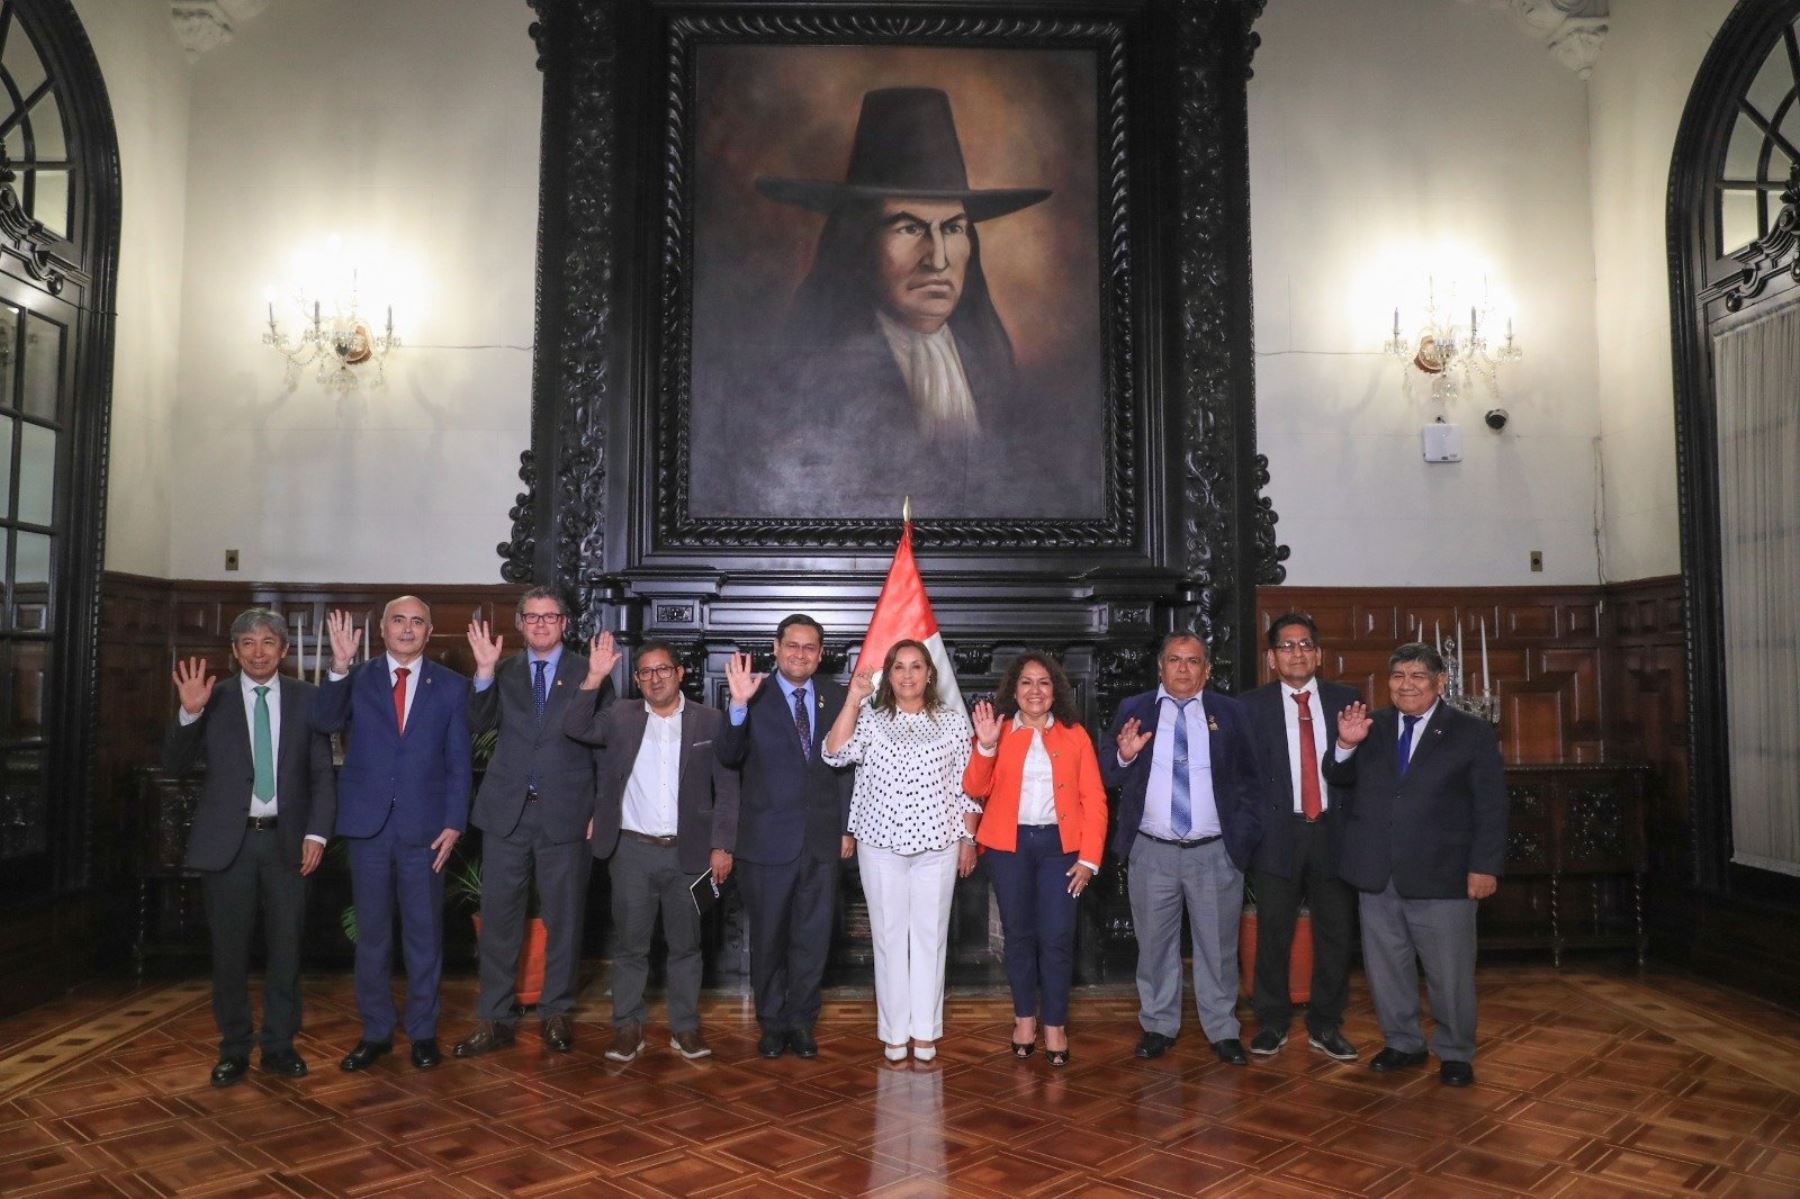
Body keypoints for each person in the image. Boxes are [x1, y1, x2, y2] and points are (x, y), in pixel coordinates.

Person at [755, 86, 1051, 443]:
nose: (938, 259)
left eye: (953, 228)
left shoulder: (991, 367)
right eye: (910, 227)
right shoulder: (817, 378)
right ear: (859, 242)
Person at [164, 609, 335, 1087]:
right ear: (234, 651)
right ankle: (234, 1047)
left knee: (287, 950)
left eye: (267, 642)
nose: (258, 652)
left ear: (283, 650)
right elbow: (173, 764)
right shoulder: (210, 699)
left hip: (289, 843)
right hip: (228, 847)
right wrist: (188, 712)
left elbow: (322, 775)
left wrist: (316, 834)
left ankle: (280, 1045)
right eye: (247, 643)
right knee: (229, 952)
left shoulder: (309, 700)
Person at [1324, 643, 1508, 1088]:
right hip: (1377, 872)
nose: (1407, 685)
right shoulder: (1373, 726)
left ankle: (1455, 1051)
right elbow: (1338, 777)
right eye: (1398, 676)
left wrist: (1485, 867)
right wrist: (1346, 744)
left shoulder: (1470, 732)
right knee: (1386, 969)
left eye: (1418, 676)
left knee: (1450, 973)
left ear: (1440, 682)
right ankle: (1402, 1042)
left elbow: (1492, 806)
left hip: (1444, 874)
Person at [563, 636, 739, 1062]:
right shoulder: (620, 716)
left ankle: (685, 1028)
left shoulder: (710, 721)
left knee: (686, 947)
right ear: (637, 679)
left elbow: (729, 787)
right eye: (646, 671)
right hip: (631, 852)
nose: (655, 678)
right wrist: (594, 676)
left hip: (690, 854)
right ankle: (627, 1027)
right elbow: (574, 726)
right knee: (629, 947)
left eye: (664, 669)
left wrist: (723, 845)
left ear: (680, 673)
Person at [316, 599, 471, 1072]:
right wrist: (338, 666)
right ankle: (376, 1032)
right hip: (368, 827)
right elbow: (323, 723)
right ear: (382, 629)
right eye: (398, 621)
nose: (407, 629)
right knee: (374, 938)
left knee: (424, 935)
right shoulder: (356, 679)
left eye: (417, 622)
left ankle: (423, 1033)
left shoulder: (450, 687)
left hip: (426, 831)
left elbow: (458, 758)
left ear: (430, 631)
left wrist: (455, 820)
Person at [1102, 631, 1264, 1065]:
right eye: (1174, 659)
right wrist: (1123, 756)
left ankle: (1222, 1029)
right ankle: (1158, 1024)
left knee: (1218, 947)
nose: (1183, 669)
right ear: (1160, 666)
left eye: (1193, 661)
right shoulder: (1134, 710)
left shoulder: (1230, 713)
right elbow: (1105, 774)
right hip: (1152, 851)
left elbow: (1252, 782)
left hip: (1214, 852)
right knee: (1154, 946)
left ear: (1207, 669)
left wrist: (1240, 843)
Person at [452, 588, 599, 1060]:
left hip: (567, 813)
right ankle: (494, 1018)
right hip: (506, 815)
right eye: (531, 617)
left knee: (564, 918)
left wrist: (600, 809)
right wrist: (483, 672)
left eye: (549, 617)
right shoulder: (505, 670)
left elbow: (605, 744)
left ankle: (555, 1013)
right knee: (498, 921)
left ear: (565, 624)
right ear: (519, 624)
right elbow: (476, 723)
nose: (540, 624)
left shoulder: (589, 671)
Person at [822, 639, 979, 1063]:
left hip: (939, 844)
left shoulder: (952, 723)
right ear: (888, 676)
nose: (908, 675)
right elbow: (834, 754)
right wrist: (854, 699)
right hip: (879, 844)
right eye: (899, 668)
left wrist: (969, 839)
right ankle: (894, 1033)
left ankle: (925, 1032)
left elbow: (969, 788)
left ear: (930, 674)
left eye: (916, 667)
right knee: (890, 940)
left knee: (931, 938)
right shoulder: (871, 720)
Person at [719, 615, 855, 1059]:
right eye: (792, 645)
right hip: (765, 841)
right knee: (770, 937)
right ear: (775, 649)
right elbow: (728, 756)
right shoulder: (750, 695)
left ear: (821, 654)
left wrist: (845, 827)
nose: (800, 654)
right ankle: (771, 1022)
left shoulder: (837, 697)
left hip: (820, 840)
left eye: (810, 647)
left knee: (812, 938)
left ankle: (802, 1022)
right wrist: (737, 708)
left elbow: (847, 770)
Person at [964, 651, 1107, 1067]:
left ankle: (1055, 1025)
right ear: (1014, 689)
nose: (1035, 691)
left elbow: (1094, 800)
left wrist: (1090, 859)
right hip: (1009, 847)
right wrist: (986, 745)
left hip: (1062, 848)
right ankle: (1024, 1019)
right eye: (1026, 682)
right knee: (1020, 936)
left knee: (1059, 937)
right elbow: (974, 786)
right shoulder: (998, 729)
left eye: (1043, 682)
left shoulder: (1074, 733)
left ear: (1055, 690)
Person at [1242, 613, 1362, 1062]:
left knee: (1335, 933)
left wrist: (1347, 749)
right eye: (1287, 646)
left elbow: (1357, 774)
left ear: (1319, 654)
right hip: (1278, 834)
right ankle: (1272, 1022)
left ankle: (1326, 1024)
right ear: (1272, 658)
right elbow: (1240, 778)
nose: (1297, 653)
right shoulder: (1250, 706)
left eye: (1305, 645)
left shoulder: (1347, 700)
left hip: (1333, 832)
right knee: (1274, 931)